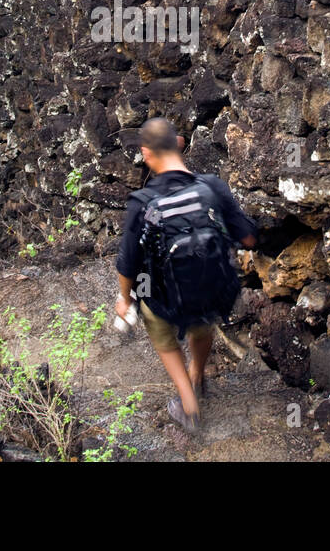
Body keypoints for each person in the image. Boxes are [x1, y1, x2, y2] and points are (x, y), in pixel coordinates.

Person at [115, 117, 257, 432]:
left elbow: (128, 263)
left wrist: (125, 300)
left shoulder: (143, 203)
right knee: (202, 319)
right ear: (180, 144)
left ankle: (188, 402)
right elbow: (248, 238)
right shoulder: (213, 187)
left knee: (153, 316)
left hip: (168, 300)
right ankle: (198, 375)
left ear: (146, 154)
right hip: (214, 292)